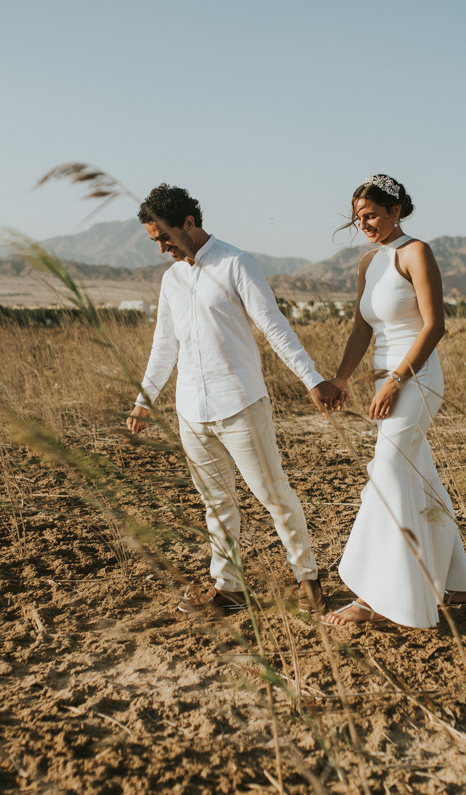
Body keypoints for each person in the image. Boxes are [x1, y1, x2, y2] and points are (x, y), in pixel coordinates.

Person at [127, 184, 340, 615]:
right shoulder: (172, 280)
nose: (162, 248)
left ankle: (308, 579)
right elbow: (164, 346)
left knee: (273, 494)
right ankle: (229, 588)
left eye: (165, 237)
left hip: (241, 404)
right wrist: (144, 400)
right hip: (192, 412)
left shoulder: (236, 263)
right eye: (155, 241)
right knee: (216, 504)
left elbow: (272, 325)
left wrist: (311, 378)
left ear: (189, 222)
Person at [321, 174, 466, 628]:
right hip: (382, 381)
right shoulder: (370, 261)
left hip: (417, 379)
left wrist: (395, 382)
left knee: (386, 474)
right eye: (357, 217)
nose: (363, 223)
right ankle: (453, 580)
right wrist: (343, 378)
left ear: (395, 211)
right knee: (419, 477)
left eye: (371, 214)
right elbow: (361, 329)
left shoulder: (416, 252)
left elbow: (434, 326)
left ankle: (375, 600)